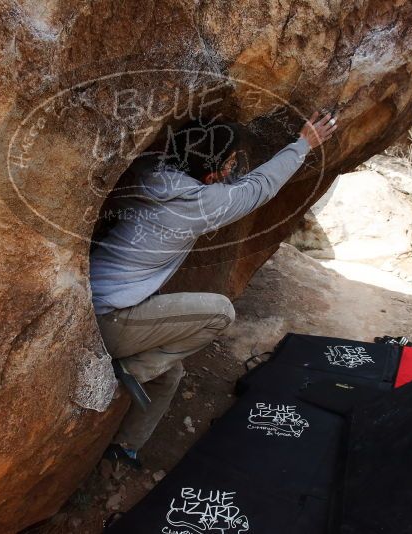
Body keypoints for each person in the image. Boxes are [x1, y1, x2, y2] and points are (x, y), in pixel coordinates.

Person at [90, 111, 338, 468]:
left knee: (170, 373)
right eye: (230, 163)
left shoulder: (149, 175)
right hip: (112, 319)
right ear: (210, 173)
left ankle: (125, 447)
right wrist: (303, 145)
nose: (233, 169)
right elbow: (259, 188)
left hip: (97, 304)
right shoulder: (201, 203)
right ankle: (128, 370)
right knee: (221, 312)